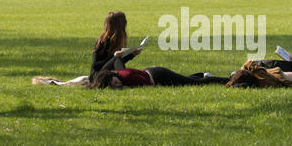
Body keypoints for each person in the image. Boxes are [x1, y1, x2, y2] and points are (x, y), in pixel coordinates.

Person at [90, 57, 229, 89]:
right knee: (185, 80)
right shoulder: (118, 73)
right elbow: (116, 60)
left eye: (116, 83)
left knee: (195, 84)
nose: (118, 85)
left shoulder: (126, 78)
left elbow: (149, 85)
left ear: (113, 76)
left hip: (159, 76)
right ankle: (201, 74)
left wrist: (127, 88)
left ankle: (228, 79)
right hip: (154, 71)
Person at [89, 11, 141, 83]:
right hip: (97, 76)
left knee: (117, 59)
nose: (126, 23)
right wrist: (114, 56)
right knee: (117, 58)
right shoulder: (102, 41)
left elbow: (117, 63)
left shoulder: (117, 40)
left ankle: (126, 78)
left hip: (109, 73)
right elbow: (96, 66)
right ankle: (126, 79)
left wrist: (132, 54)